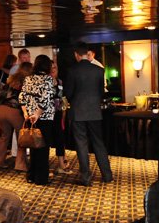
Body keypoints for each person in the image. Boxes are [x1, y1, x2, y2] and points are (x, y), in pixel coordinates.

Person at [65, 43, 112, 186]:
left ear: (76, 54)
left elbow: (68, 93)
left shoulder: (72, 71)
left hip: (78, 112)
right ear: (87, 53)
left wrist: (74, 101)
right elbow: (101, 92)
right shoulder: (99, 70)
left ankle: (85, 177)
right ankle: (107, 175)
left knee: (81, 145)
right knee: (99, 143)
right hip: (95, 112)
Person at [19, 55, 56, 185]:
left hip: (30, 117)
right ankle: (41, 178)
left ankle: (31, 175)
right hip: (44, 117)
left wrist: (26, 113)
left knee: (33, 147)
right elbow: (45, 100)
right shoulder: (48, 79)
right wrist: (37, 114)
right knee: (43, 149)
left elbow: (21, 97)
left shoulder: (28, 79)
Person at [0, 62, 30, 171]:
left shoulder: (11, 79)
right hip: (15, 110)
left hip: (2, 109)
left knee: (4, 137)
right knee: (21, 138)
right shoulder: (26, 81)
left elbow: (1, 93)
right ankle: (20, 164)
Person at [50, 59, 69, 174]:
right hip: (46, 115)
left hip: (58, 114)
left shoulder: (60, 82)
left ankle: (61, 164)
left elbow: (63, 98)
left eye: (55, 68)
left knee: (60, 138)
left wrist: (64, 109)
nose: (53, 70)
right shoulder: (45, 82)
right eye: (51, 68)